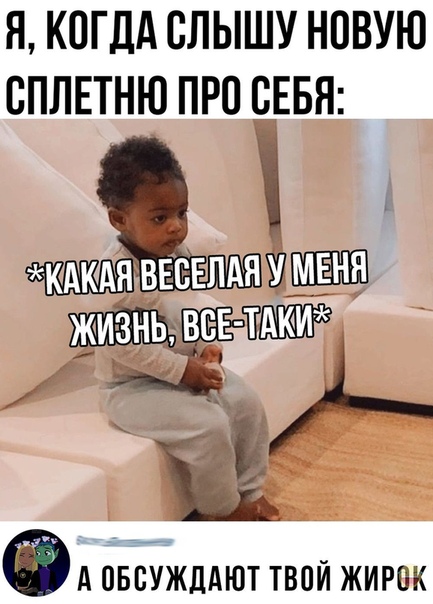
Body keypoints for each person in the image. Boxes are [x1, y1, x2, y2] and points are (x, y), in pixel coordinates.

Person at [94, 135, 280, 521]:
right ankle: (223, 509)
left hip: (184, 373)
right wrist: (183, 370)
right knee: (207, 425)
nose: (176, 227)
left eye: (182, 213)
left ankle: (250, 490)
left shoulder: (177, 253)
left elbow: (192, 302)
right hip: (131, 388)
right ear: (119, 219)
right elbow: (122, 346)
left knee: (246, 403)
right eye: (160, 218)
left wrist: (205, 346)